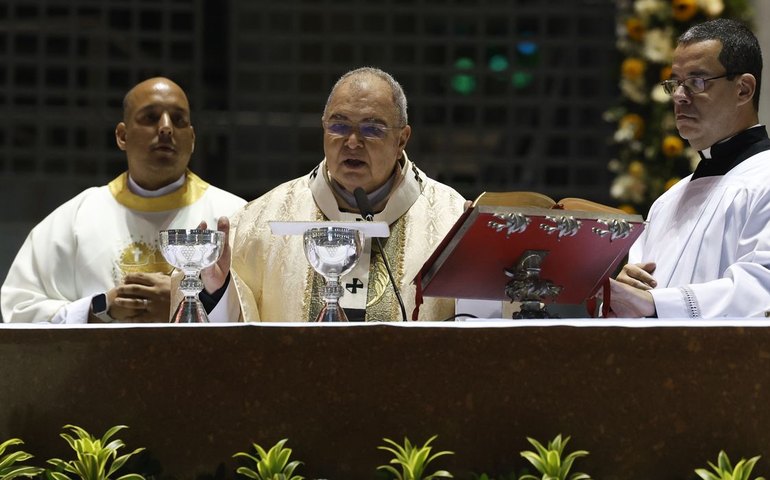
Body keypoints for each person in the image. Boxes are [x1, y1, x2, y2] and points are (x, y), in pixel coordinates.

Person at [202, 67, 466, 322]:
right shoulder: (258, 222)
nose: (352, 142)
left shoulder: (453, 221)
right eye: (338, 127)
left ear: (401, 140)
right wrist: (217, 292)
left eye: (372, 129)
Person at [1, 77, 246, 323]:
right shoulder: (75, 219)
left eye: (179, 120)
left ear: (192, 139)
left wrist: (188, 303)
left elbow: (263, 310)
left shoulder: (235, 215)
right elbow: (18, 310)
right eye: (150, 117)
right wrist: (100, 308)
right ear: (122, 136)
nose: (166, 128)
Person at [609, 19, 770, 318]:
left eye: (697, 82)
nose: (680, 96)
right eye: (675, 83)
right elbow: (640, 300)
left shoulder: (765, 180)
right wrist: (628, 290)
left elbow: (763, 289)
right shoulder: (666, 202)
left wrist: (658, 304)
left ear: (744, 89)